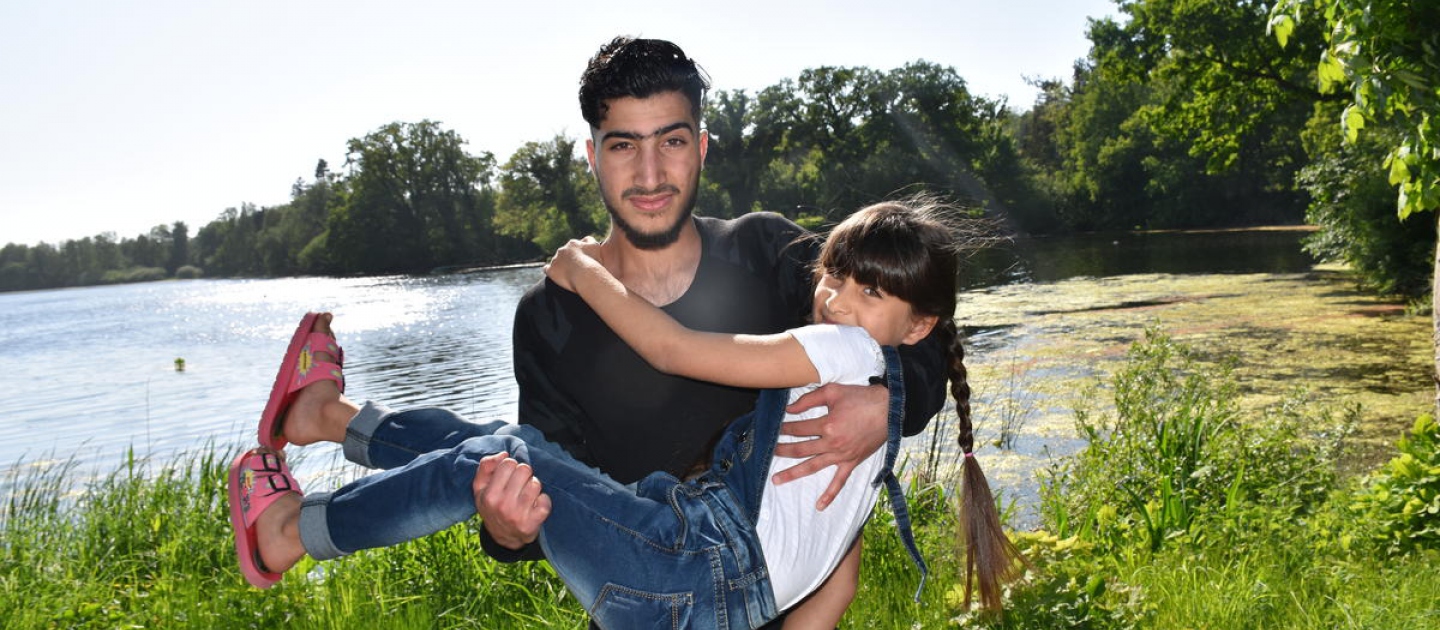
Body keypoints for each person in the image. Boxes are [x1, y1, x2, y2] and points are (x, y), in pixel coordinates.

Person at [228, 199, 1023, 629]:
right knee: (515, 446)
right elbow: (835, 580)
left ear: (919, 328)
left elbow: (672, 349)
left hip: (694, 571)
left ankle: (290, 531)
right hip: (716, 587)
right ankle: (330, 419)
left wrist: (578, 266)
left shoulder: (839, 352)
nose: (835, 299)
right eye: (835, 274)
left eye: (869, 293)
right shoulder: (865, 440)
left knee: (504, 461)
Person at [481, 36, 950, 625]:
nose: (650, 175)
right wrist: (507, 531)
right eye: (624, 145)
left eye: (671, 141)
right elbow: (553, 485)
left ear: (701, 147)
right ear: (593, 156)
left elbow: (918, 328)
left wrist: (887, 406)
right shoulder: (549, 316)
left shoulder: (768, 250)